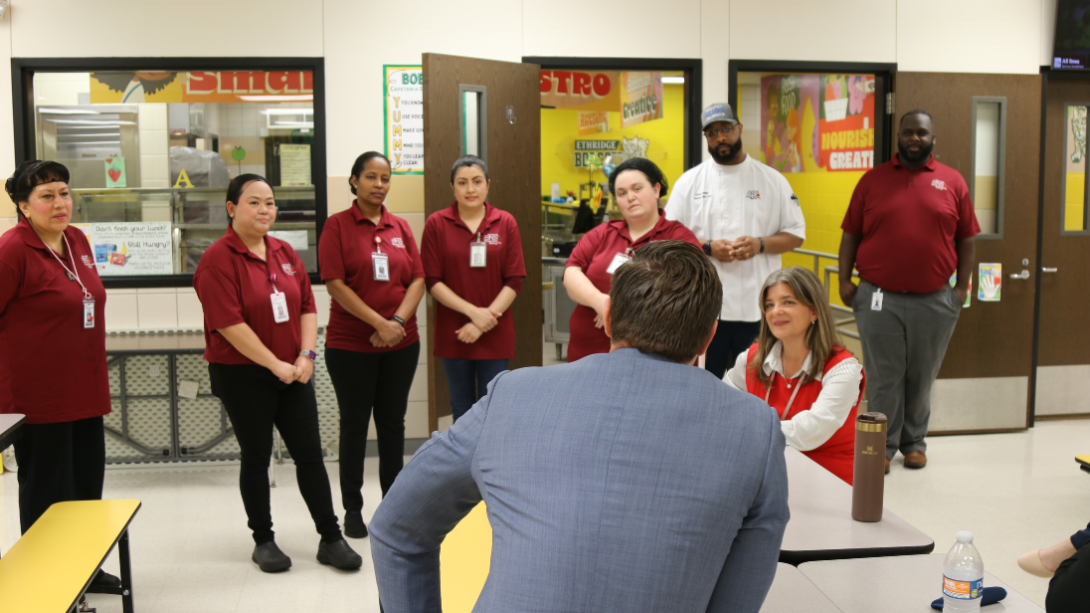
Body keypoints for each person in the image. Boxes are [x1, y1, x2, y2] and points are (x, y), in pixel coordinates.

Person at [371, 241, 789, 613]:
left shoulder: (512, 394)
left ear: (607, 318)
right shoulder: (756, 429)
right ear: (708, 337)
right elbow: (741, 588)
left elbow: (397, 529)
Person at [194, 173, 362, 573]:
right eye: (254, 202)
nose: (264, 209)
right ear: (232, 208)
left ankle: (330, 537)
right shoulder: (217, 259)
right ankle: (264, 540)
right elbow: (228, 324)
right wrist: (275, 364)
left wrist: (306, 356)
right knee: (257, 456)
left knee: (310, 456)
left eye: (269, 202)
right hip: (242, 374)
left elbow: (307, 305)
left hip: (294, 371)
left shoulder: (284, 252)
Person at [0, 160, 121, 589]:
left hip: (85, 388)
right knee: (48, 490)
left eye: (64, 193)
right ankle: (45, 576)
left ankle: (86, 568)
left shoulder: (76, 240)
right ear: (23, 205)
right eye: (46, 196)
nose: (59, 203)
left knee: (87, 486)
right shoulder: (13, 249)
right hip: (38, 397)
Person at [839, 110, 978, 473]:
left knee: (922, 374)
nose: (914, 138)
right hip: (877, 297)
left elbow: (966, 239)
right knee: (885, 375)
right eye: (908, 132)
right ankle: (882, 445)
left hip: (935, 299)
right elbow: (851, 233)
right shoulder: (872, 181)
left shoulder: (953, 182)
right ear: (898, 137)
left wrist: (961, 289)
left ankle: (914, 443)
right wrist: (843, 280)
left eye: (921, 133)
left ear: (933, 138)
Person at [319, 152, 425, 540]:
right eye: (370, 177)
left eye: (385, 178)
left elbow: (417, 279)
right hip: (351, 347)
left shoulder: (400, 226)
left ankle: (392, 507)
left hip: (401, 343)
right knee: (354, 426)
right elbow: (334, 283)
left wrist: (395, 323)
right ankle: (351, 508)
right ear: (354, 181)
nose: (379, 185)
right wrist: (378, 323)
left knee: (393, 426)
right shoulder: (337, 227)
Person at [666, 102, 806, 379]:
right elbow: (669, 235)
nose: (720, 137)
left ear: (739, 129)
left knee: (757, 382)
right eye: (712, 133)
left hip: (759, 308)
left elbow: (795, 234)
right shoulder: (689, 182)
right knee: (706, 382)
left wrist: (760, 244)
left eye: (726, 129)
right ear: (706, 138)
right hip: (703, 309)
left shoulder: (772, 180)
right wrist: (707, 247)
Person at [723, 267, 864, 484]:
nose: (775, 311)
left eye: (788, 302)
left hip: (827, 481)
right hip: (766, 474)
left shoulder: (844, 369)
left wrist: (747, 430)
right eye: (769, 305)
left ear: (814, 311)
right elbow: (726, 408)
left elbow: (808, 432)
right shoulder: (751, 358)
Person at [421, 156, 526, 422]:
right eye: (463, 183)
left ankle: (488, 464)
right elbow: (432, 281)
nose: (470, 189)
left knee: (494, 406)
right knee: (462, 407)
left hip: (495, 331)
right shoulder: (437, 223)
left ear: (488, 185)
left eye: (477, 182)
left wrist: (482, 321)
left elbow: (514, 280)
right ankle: (465, 465)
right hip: (454, 332)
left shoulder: (505, 222)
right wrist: (472, 314)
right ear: (452, 188)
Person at [564, 157, 700, 362]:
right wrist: (601, 302)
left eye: (637, 188)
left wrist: (617, 309)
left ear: (656, 190)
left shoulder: (679, 238)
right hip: (589, 351)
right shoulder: (602, 233)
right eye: (622, 193)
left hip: (656, 354)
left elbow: (692, 288)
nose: (630, 197)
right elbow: (571, 272)